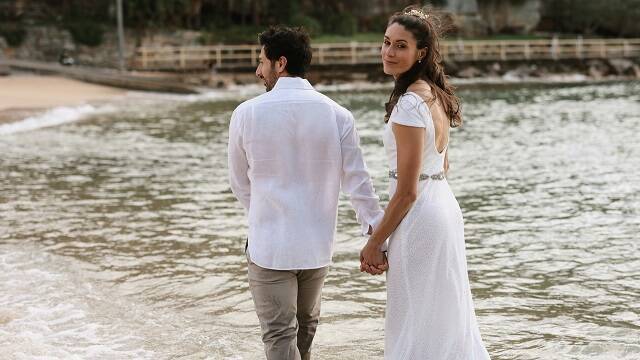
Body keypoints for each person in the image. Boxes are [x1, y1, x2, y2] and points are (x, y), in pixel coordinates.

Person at [227, 25, 386, 360]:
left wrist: (264, 214)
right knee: (305, 331)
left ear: (279, 63)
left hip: (269, 245)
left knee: (279, 334)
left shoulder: (246, 113)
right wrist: (378, 234)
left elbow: (239, 182)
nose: (258, 71)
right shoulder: (338, 115)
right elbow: (358, 182)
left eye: (261, 62)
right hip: (316, 246)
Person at [359, 6, 491, 359]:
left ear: (421, 53)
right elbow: (442, 164)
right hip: (443, 207)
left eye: (401, 46)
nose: (389, 52)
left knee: (415, 316)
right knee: (443, 312)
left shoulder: (409, 105)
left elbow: (406, 191)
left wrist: (375, 242)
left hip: (420, 217)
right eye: (386, 42)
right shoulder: (433, 94)